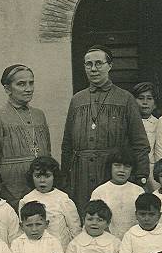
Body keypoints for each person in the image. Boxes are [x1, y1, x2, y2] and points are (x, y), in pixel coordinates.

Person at [61, 45, 150, 213]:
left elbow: (140, 143)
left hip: (111, 173)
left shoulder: (125, 99)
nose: (93, 69)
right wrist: (65, 177)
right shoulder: (77, 100)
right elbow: (67, 144)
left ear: (110, 66)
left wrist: (141, 175)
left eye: (98, 63)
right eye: (88, 64)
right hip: (82, 176)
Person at [0, 65, 51, 210]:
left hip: (40, 187)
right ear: (7, 89)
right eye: (21, 84)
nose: (28, 88)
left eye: (31, 83)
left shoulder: (39, 115)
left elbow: (47, 153)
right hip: (12, 189)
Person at [19, 156, 81, 248]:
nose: (42, 180)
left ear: (54, 177)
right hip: (35, 248)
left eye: (47, 176)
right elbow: (23, 229)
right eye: (38, 176)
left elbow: (74, 228)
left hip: (60, 248)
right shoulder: (26, 200)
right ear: (31, 177)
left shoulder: (63, 198)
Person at [90, 147, 145, 238]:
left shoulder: (138, 191)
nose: (122, 170)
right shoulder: (99, 191)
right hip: (108, 241)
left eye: (127, 166)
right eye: (117, 165)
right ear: (110, 166)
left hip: (134, 239)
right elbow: (95, 219)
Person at [132, 81, 158, 188]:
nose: (145, 102)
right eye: (141, 98)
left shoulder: (159, 123)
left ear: (155, 103)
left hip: (154, 169)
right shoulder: (130, 123)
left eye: (149, 98)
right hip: (135, 168)